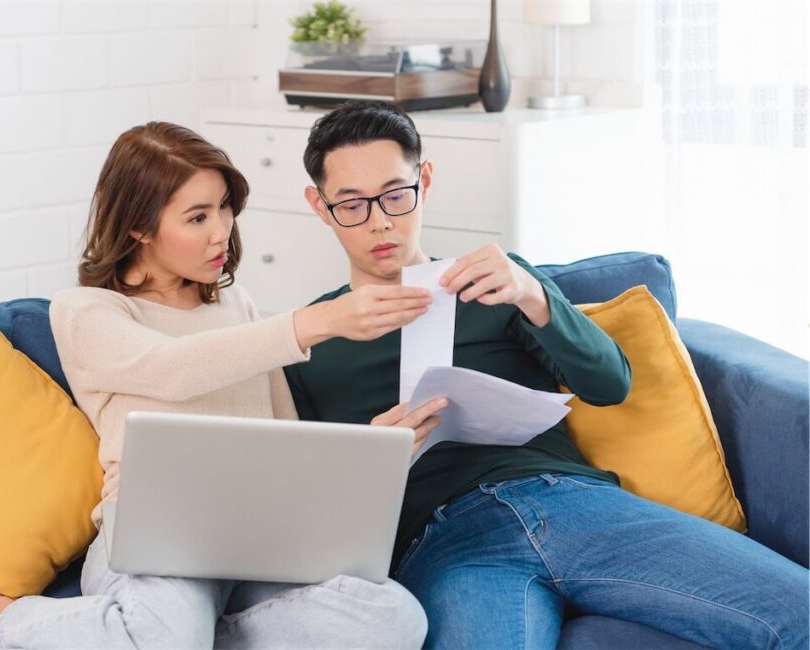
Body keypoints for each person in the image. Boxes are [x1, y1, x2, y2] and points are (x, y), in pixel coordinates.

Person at [0, 121, 447, 647]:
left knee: (392, 618)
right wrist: (318, 321)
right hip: (156, 538)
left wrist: (372, 446)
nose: (221, 231)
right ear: (139, 226)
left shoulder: (237, 304)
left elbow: (280, 429)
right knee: (167, 631)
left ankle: (149, 636)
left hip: (258, 533)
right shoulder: (89, 311)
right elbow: (171, 367)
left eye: (224, 208)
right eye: (197, 217)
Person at [283, 100, 810, 649]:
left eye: (395, 195)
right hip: (444, 543)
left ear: (426, 178)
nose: (381, 221)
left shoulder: (497, 283)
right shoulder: (311, 340)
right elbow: (310, 512)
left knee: (799, 615)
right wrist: (374, 455)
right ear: (319, 207)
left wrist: (535, 297)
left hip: (570, 501)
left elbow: (611, 383)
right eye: (352, 205)